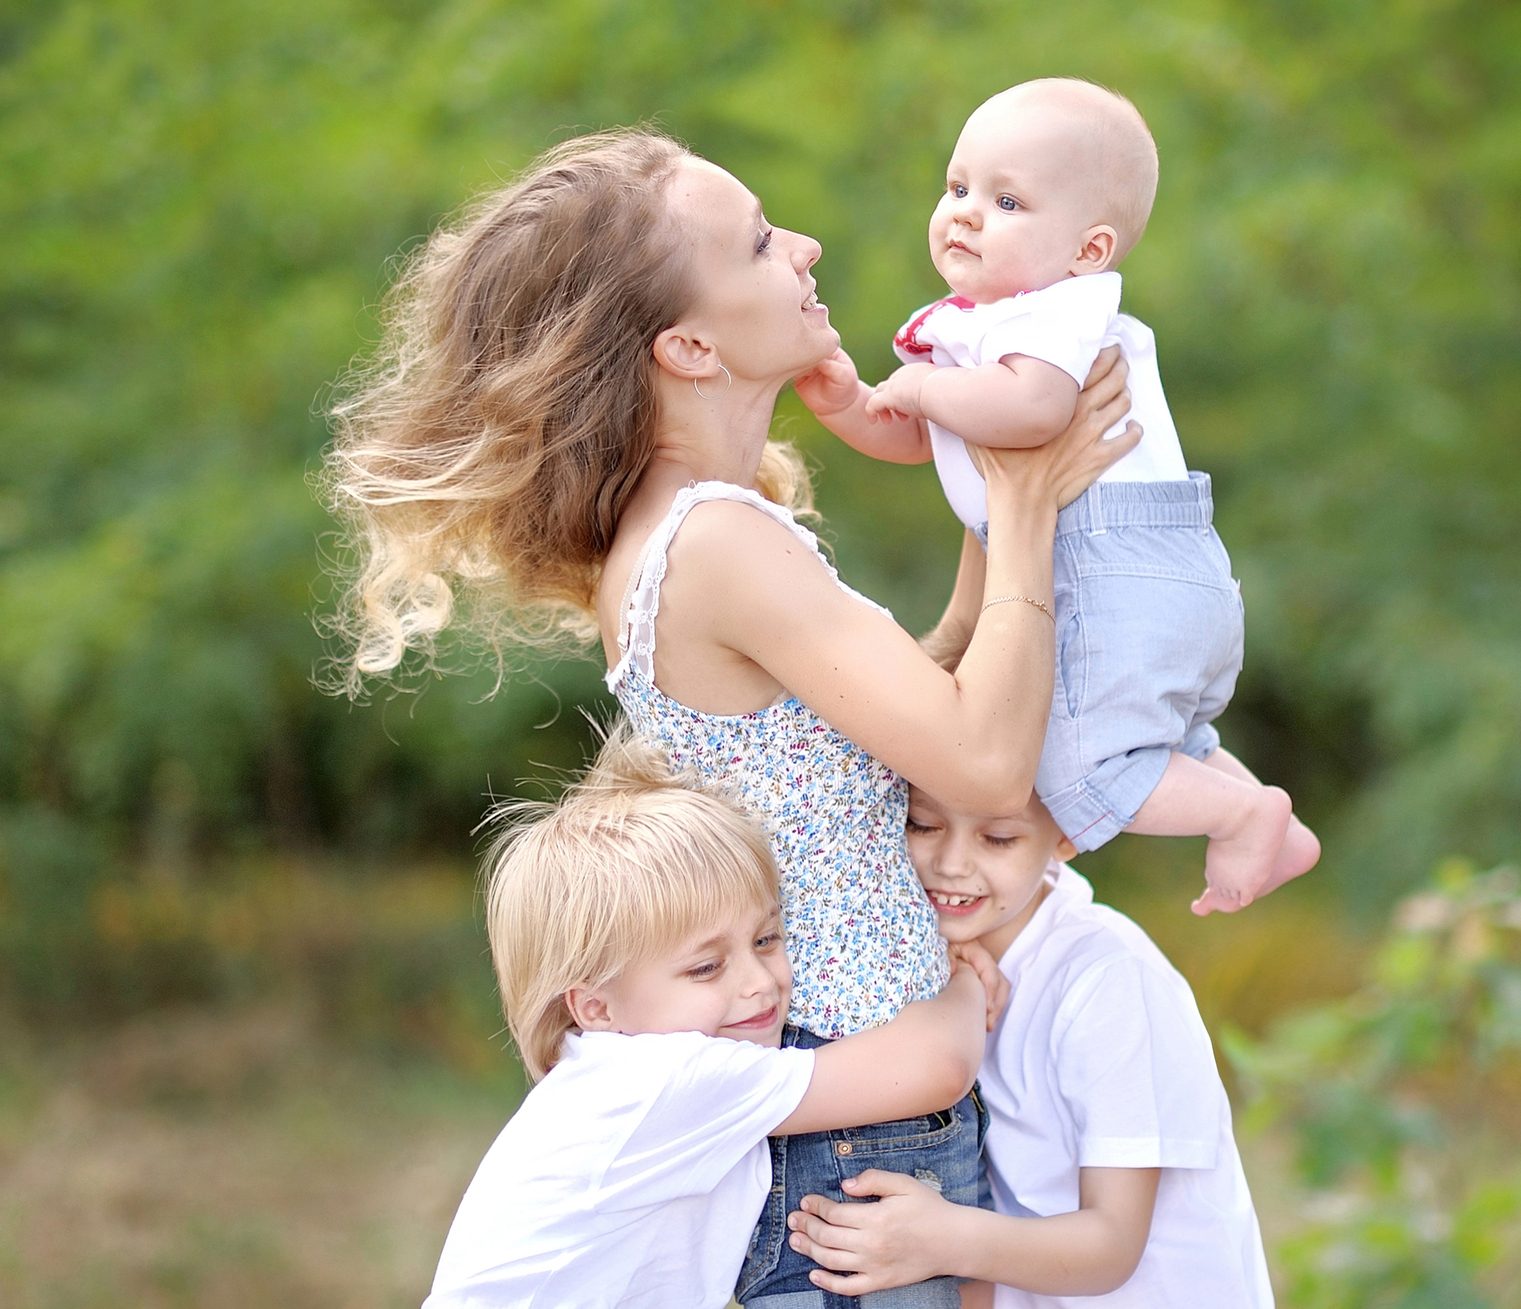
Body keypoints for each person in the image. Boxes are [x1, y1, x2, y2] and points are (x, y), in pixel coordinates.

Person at [325, 126, 1138, 1307]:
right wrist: (1021, 516)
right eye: (760, 242)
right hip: (853, 1125)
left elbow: (919, 708)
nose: (804, 247)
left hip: (853, 1112)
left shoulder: (693, 527)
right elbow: (981, 761)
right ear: (688, 344)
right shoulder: (714, 542)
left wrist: (997, 487)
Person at [804, 77, 1319, 917]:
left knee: (1074, 766)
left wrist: (924, 391)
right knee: (1163, 738)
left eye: (1007, 200)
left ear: (1089, 249)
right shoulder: (992, 322)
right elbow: (937, 436)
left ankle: (1242, 811)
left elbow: (1032, 411)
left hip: (1108, 570)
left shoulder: (1050, 316)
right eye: (958, 186)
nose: (967, 212)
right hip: (1159, 572)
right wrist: (855, 406)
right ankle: (1262, 811)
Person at [425, 730, 1000, 1309]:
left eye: (767, 939)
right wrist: (968, 979)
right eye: (705, 968)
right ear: (597, 1008)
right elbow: (937, 1065)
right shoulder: (662, 1081)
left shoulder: (607, 1078)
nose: (758, 981)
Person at [782, 779, 1273, 1308]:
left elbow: (1113, 1245)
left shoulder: (1109, 977)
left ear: (1067, 834)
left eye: (997, 838)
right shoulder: (919, 967)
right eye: (922, 824)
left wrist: (941, 1240)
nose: (951, 863)